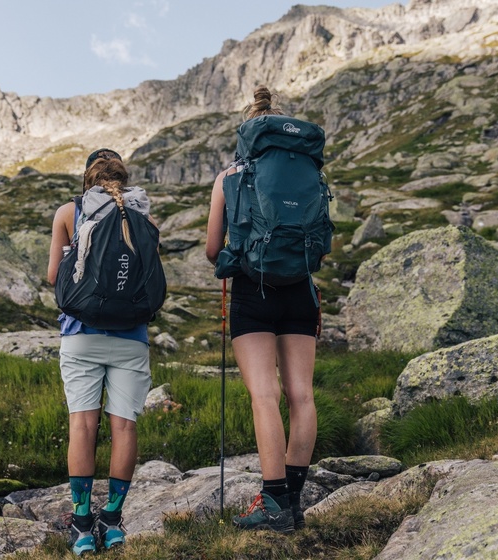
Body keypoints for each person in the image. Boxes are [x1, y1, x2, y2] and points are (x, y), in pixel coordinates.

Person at [204, 87, 318, 534]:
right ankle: (292, 499)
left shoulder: (229, 175)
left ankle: (271, 503)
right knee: (302, 395)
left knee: (265, 395)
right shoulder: (306, 169)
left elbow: (214, 249)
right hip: (302, 290)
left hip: (254, 291)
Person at [46, 149, 152, 555]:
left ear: (86, 178)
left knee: (83, 426)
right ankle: (113, 520)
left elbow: (55, 277)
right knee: (124, 427)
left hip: (80, 334)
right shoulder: (140, 211)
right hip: (131, 337)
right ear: (122, 177)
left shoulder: (68, 212)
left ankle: (82, 526)